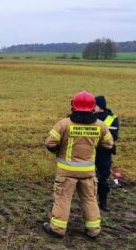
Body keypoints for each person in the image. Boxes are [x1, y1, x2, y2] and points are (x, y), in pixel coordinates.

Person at [43, 91, 114, 238]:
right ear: (93, 108)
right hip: (88, 171)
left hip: (66, 171)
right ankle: (94, 229)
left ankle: (57, 228)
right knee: (89, 199)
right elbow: (109, 145)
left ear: (73, 106)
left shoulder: (64, 124)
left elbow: (50, 142)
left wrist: (58, 150)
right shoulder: (100, 126)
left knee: (63, 199)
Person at [94, 95, 119, 211]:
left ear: (100, 106)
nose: (92, 107)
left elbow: (114, 137)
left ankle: (103, 203)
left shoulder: (112, 118)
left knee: (103, 177)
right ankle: (92, 202)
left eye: (95, 105)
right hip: (92, 151)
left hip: (104, 152)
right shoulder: (91, 116)